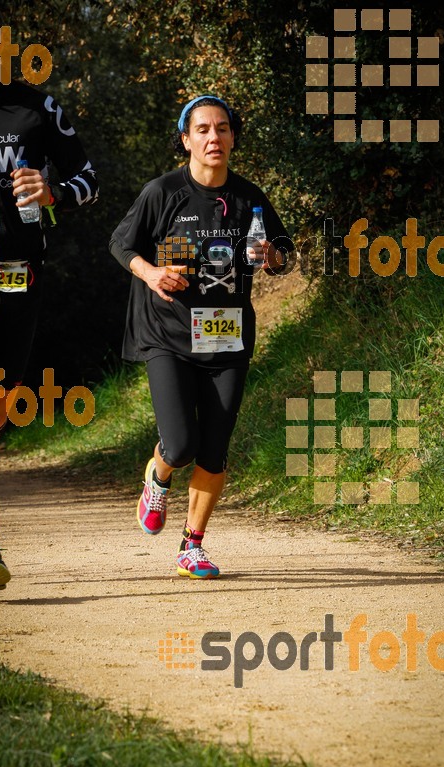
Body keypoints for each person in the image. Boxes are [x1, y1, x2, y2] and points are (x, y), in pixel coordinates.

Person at [110, 94, 293, 579]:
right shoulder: (163, 191)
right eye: (204, 129)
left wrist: (270, 256)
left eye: (223, 128)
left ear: (233, 137)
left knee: (215, 448)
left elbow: (283, 254)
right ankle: (160, 473)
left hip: (228, 341)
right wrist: (149, 273)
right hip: (168, 334)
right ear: (186, 139)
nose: (215, 137)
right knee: (183, 442)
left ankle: (192, 546)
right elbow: (120, 242)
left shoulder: (250, 198)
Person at [0, 1, 98, 590]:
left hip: (21, 271)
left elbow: (89, 180)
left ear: (0, 42)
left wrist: (52, 194)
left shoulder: (35, 106)